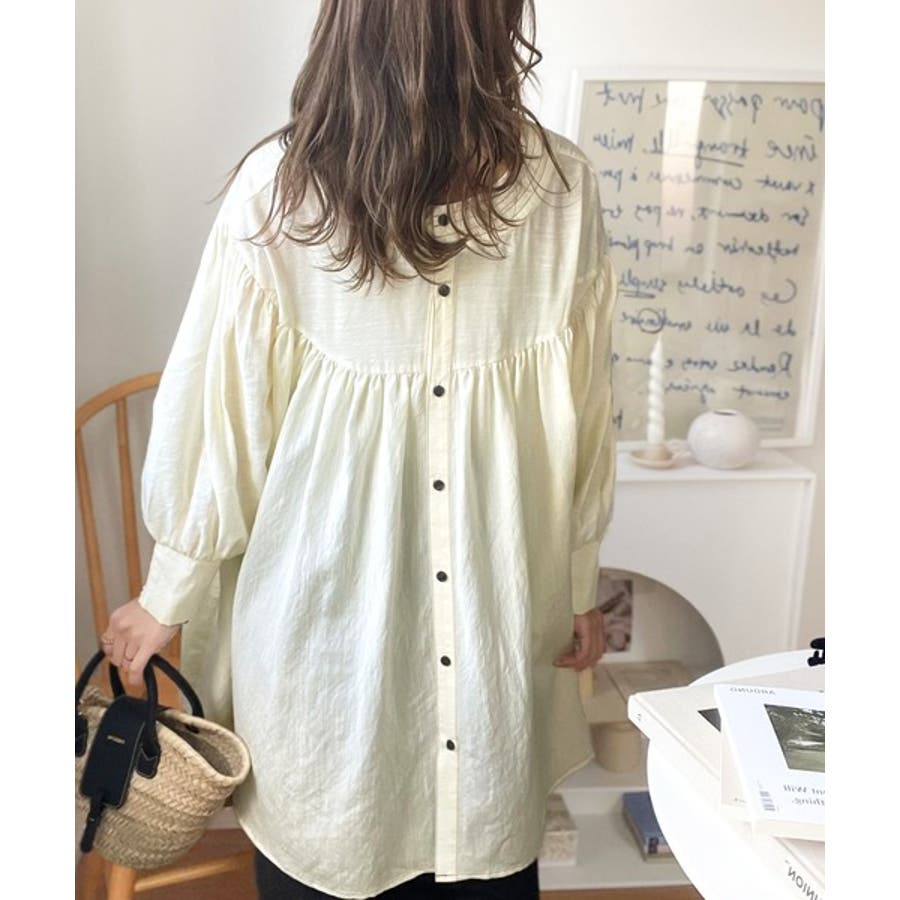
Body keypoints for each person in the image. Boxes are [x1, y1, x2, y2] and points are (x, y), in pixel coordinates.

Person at [99, 1, 618, 897]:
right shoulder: (283, 198)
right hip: (337, 661)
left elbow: (225, 428)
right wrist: (574, 583)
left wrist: (167, 593)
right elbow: (223, 421)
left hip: (378, 655)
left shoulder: (557, 196)